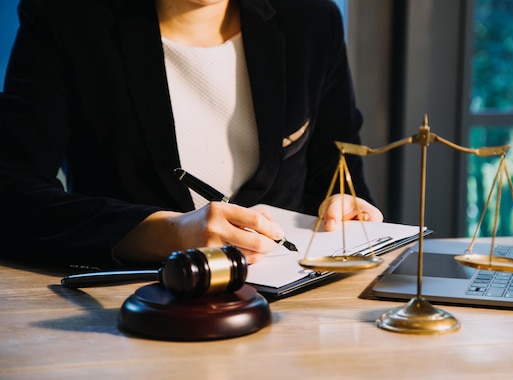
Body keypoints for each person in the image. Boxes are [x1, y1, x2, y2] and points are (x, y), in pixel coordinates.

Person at [0, 0, 383, 269]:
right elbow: (11, 195)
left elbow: (338, 178)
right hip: (128, 310)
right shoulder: (64, 19)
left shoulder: (312, 23)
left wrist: (346, 207)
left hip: (292, 307)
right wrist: (168, 234)